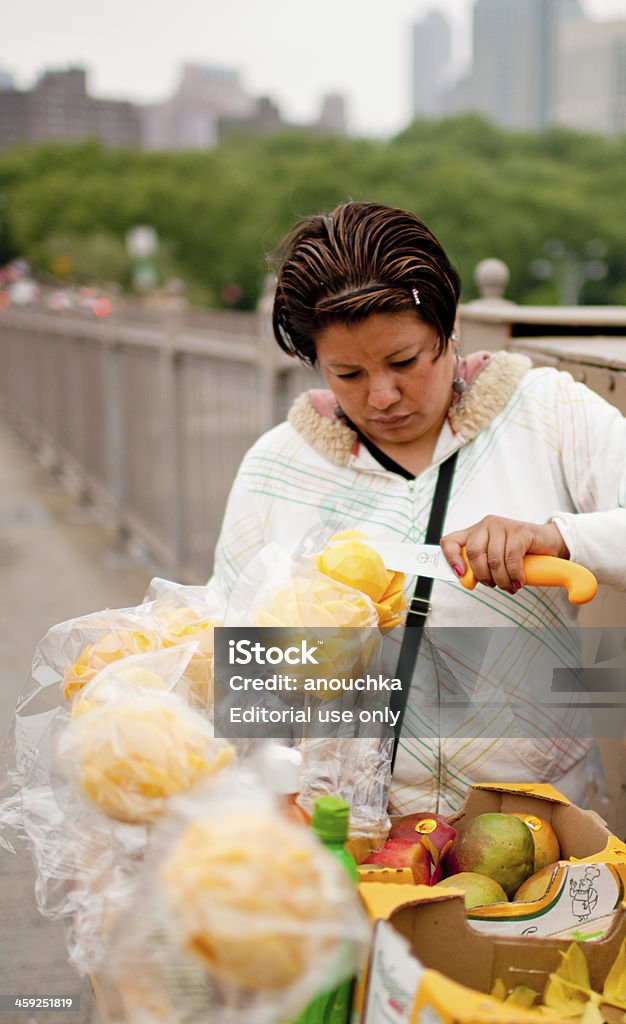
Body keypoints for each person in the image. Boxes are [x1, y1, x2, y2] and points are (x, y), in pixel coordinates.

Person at [207, 201, 626, 815]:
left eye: (405, 362)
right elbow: (237, 672)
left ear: (449, 327)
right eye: (347, 373)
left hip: (531, 825)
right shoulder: (278, 465)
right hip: (346, 834)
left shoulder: (549, 412)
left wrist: (559, 538)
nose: (382, 396)